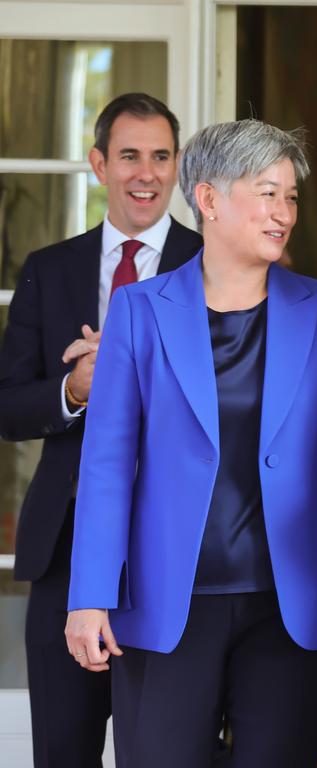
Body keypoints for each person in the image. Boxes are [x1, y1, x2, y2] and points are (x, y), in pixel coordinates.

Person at [63, 119, 317, 768]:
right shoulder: (139, 310)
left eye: (291, 197)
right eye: (268, 194)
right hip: (164, 605)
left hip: (288, 608)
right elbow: (106, 465)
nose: (284, 213)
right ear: (208, 200)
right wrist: (89, 594)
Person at [0, 92, 201, 768]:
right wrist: (75, 389)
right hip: (65, 552)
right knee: (63, 751)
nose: (146, 174)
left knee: (169, 753)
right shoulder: (49, 269)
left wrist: (137, 373)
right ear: (97, 163)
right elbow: (7, 406)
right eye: (128, 156)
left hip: (181, 559)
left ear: (177, 166)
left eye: (161, 157)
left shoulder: (216, 269)